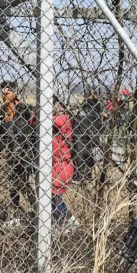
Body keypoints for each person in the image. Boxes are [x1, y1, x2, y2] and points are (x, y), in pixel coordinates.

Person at [0, 80, 35, 225]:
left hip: (25, 154)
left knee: (25, 185)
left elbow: (31, 131)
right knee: (13, 187)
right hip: (11, 155)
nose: (6, 96)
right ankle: (15, 215)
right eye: (4, 93)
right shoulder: (1, 113)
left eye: (9, 92)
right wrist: (1, 149)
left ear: (14, 92)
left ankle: (38, 211)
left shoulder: (24, 110)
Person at [47, 97, 77, 229]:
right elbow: (33, 121)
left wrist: (44, 114)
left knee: (54, 195)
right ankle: (61, 220)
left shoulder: (64, 119)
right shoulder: (52, 124)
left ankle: (67, 219)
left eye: (56, 104)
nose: (54, 107)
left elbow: (58, 122)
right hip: (55, 164)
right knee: (52, 195)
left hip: (62, 165)